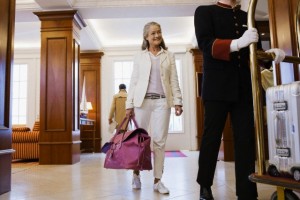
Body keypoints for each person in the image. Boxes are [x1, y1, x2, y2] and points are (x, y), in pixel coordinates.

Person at [194, 1, 285, 200]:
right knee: (211, 138)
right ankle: (205, 186)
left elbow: (254, 54)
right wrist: (237, 43)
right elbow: (206, 44)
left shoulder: (246, 16)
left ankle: (247, 192)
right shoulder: (204, 11)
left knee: (245, 139)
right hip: (217, 87)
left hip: (243, 87)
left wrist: (271, 54)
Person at [125, 21, 183, 194]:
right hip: (142, 103)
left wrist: (178, 101)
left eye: (159, 32)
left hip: (162, 103)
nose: (157, 35)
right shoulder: (139, 56)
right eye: (153, 33)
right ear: (146, 37)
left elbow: (174, 80)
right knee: (139, 141)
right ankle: (136, 174)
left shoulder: (169, 56)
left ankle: (158, 181)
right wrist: (129, 105)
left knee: (159, 142)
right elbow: (134, 81)